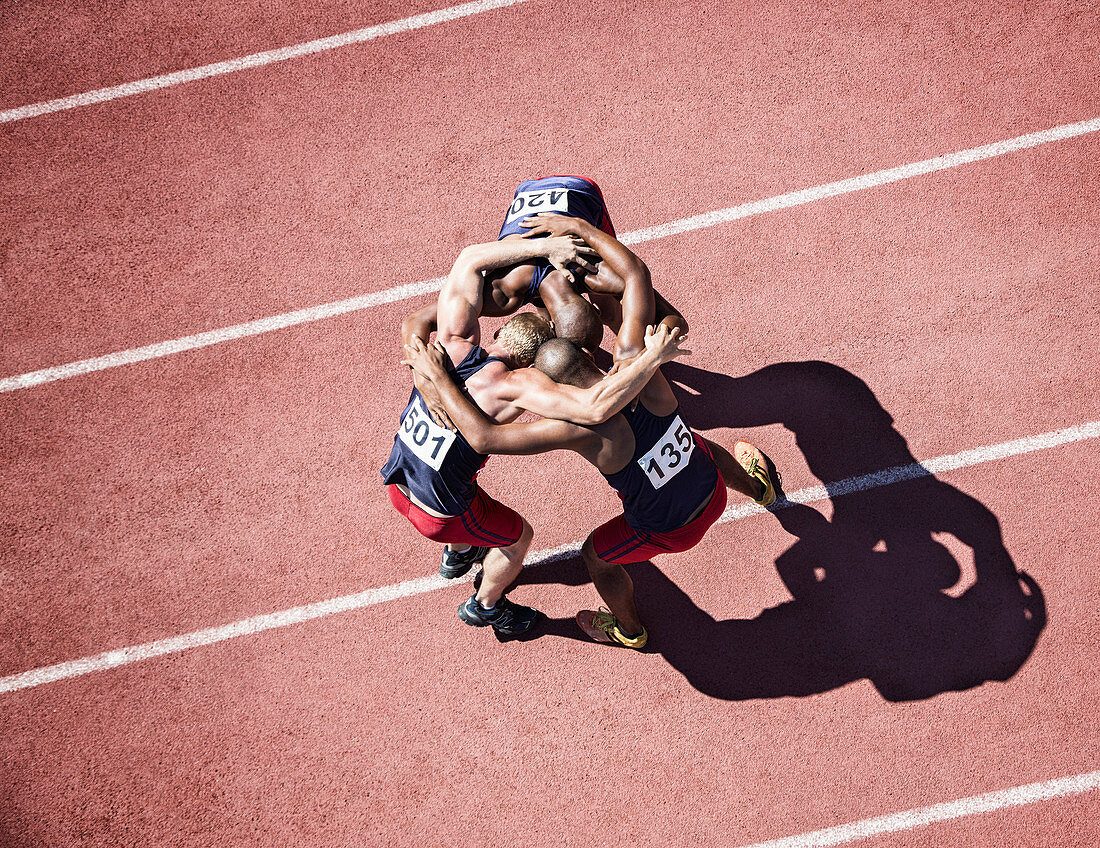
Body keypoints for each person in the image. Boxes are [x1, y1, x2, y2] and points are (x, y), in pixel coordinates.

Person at [382, 234, 691, 637]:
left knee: (462, 482)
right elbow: (596, 407)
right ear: (535, 364)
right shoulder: (517, 386)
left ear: (498, 333)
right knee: (516, 539)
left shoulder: (451, 345)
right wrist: (650, 360)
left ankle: (458, 554)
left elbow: (470, 258)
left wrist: (542, 249)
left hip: (398, 479)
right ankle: (486, 606)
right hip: (438, 514)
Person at [403, 334, 777, 649]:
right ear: (587, 355)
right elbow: (634, 280)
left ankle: (629, 632)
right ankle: (760, 489)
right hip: (714, 490)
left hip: (673, 530)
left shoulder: (577, 429)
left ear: (556, 390)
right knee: (698, 445)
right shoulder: (642, 371)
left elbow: (484, 437)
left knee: (596, 556)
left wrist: (439, 377)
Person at [401, 175, 687, 356]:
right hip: (574, 191)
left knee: (613, 310)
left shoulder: (505, 292)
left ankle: (617, 329)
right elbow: (673, 318)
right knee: (621, 308)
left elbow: (415, 320)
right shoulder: (504, 292)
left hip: (560, 197)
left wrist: (646, 346)